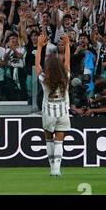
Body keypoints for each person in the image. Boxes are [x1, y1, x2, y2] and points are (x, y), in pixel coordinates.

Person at [35, 33, 72, 177]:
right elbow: (67, 63)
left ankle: (52, 168)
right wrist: (67, 45)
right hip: (62, 112)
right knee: (59, 142)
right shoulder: (65, 77)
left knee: (49, 139)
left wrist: (39, 47)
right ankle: (57, 169)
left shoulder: (45, 78)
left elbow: (37, 65)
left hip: (48, 113)